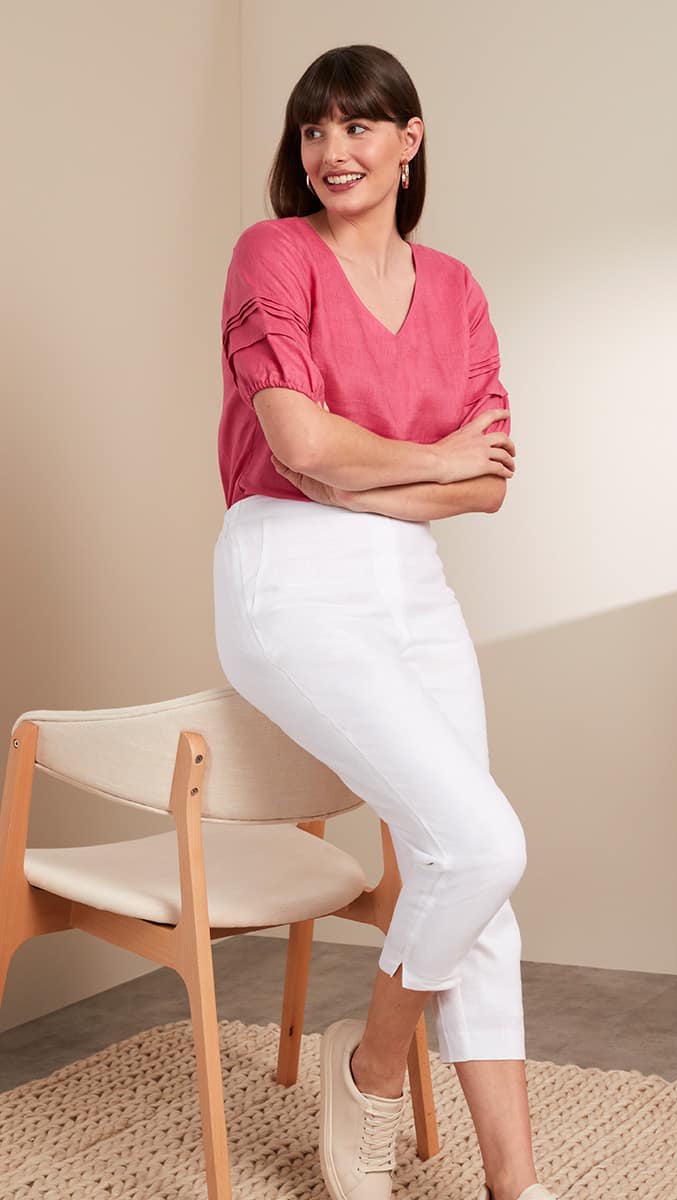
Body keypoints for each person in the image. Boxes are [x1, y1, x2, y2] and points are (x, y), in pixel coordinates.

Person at [212, 44, 559, 1200]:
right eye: (313, 130)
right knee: (480, 842)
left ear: (408, 142)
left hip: (411, 583)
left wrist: (389, 475)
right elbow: (300, 455)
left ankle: (517, 1187)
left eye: (358, 127)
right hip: (287, 580)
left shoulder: (453, 289)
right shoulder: (273, 253)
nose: (331, 151)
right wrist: (431, 459)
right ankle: (367, 1071)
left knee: (470, 876)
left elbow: (490, 484)